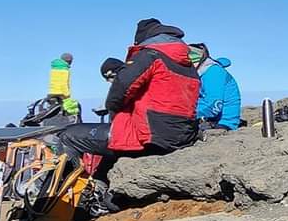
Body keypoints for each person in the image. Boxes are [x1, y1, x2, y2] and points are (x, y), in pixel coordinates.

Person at [55, 20, 199, 176]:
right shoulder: (189, 66)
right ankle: (101, 190)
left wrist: (113, 107)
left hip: (149, 136)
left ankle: (64, 196)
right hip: (181, 135)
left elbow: (121, 89)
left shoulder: (149, 55)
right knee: (111, 145)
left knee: (68, 136)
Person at [189, 42, 241, 131]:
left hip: (223, 123)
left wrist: (183, 114)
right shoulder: (201, 74)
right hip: (207, 119)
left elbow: (213, 105)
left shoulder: (213, 73)